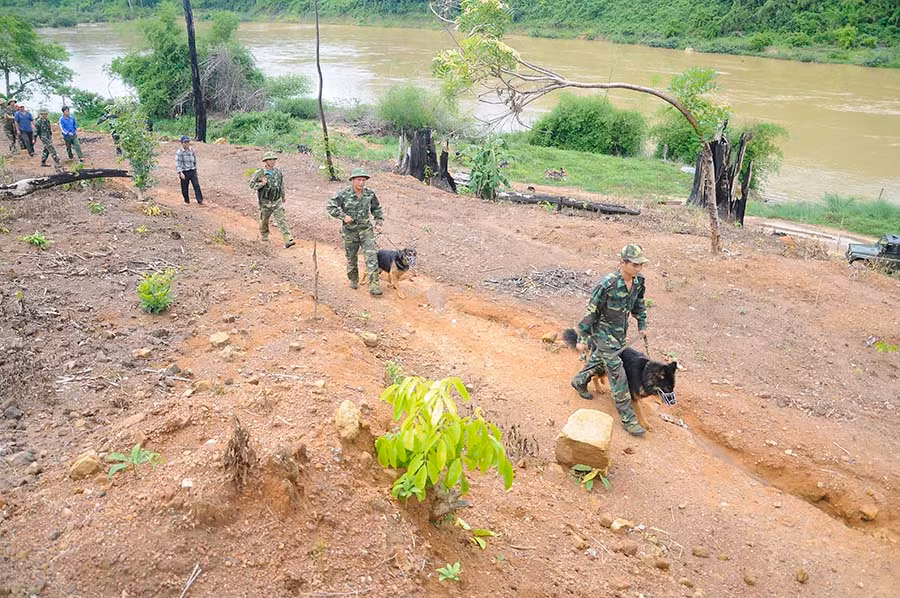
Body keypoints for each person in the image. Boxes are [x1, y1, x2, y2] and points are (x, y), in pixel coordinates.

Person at [570, 244, 651, 436]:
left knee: (599, 359)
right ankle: (629, 420)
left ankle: (580, 380)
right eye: (634, 265)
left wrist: (642, 324)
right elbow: (591, 311)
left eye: (641, 265)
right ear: (622, 263)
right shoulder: (607, 284)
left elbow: (639, 305)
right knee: (618, 375)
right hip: (603, 333)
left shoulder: (638, 282)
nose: (638, 268)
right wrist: (582, 337)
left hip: (619, 334)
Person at [326, 167, 385, 296]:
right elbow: (330, 206)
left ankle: (374, 285)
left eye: (364, 180)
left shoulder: (369, 194)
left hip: (366, 230)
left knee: (371, 257)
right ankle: (353, 279)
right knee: (351, 258)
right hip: (350, 231)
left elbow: (376, 208)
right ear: (352, 180)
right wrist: (343, 216)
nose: (361, 183)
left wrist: (379, 222)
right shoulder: (344, 194)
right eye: (359, 180)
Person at [249, 151, 295, 248]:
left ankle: (288, 239)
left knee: (281, 219)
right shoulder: (260, 173)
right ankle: (264, 237)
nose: (272, 161)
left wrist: (283, 196)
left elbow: (281, 184)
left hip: (276, 200)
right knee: (264, 220)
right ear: (265, 161)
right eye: (270, 160)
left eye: (274, 159)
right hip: (265, 201)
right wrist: (262, 184)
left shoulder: (278, 172)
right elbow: (252, 185)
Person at [175, 135, 203, 205]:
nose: (187, 143)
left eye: (188, 142)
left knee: (196, 185)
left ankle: (200, 200)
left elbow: (194, 159)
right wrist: (180, 173)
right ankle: (186, 200)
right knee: (185, 187)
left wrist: (195, 168)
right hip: (185, 171)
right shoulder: (179, 152)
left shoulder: (191, 150)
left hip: (192, 170)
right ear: (182, 143)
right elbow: (178, 163)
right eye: (185, 142)